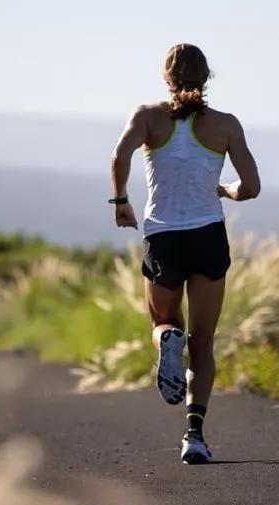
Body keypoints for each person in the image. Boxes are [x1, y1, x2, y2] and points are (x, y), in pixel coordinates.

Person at [109, 43, 260, 464]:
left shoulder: (147, 117)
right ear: (207, 78)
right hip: (208, 235)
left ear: (166, 77)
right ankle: (194, 435)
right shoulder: (227, 125)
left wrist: (120, 201)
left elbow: (119, 154)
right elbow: (251, 187)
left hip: (164, 238)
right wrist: (224, 189)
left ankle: (166, 341)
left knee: (162, 321)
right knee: (205, 342)